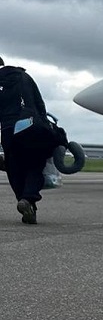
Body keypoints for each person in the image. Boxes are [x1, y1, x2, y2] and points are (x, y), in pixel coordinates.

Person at [0, 56, 58, 225]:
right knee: (35, 164)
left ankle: (26, 202)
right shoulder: (23, 76)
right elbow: (39, 103)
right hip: (30, 126)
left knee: (14, 167)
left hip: (8, 129)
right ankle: (28, 200)